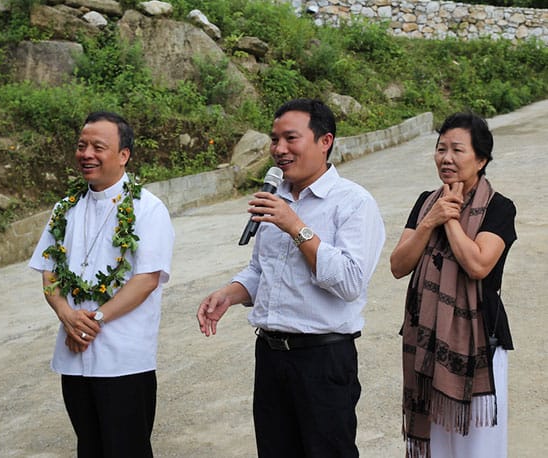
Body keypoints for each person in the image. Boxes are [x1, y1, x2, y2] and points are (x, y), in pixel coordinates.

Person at [196, 98, 385, 457]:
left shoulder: (354, 203)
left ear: (324, 141)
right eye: (274, 139)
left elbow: (349, 281)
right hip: (270, 357)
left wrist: (296, 226)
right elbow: (260, 270)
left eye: (290, 139)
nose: (279, 149)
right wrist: (230, 293)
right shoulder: (277, 197)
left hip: (322, 361)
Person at [29, 111, 174, 458]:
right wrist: (66, 313)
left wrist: (94, 320)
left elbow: (146, 279)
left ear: (124, 155)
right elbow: (48, 271)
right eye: (81, 146)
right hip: (73, 352)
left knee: (127, 449)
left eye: (98, 146)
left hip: (123, 357)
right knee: (89, 447)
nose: (86, 154)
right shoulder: (65, 208)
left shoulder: (147, 209)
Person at [389, 112, 517, 458]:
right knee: (437, 446)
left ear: (481, 159)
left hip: (478, 345)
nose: (446, 158)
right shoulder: (425, 203)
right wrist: (430, 220)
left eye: (457, 150)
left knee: (478, 448)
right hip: (425, 343)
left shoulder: (499, 208)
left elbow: (477, 264)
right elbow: (399, 265)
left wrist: (451, 222)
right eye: (440, 148)